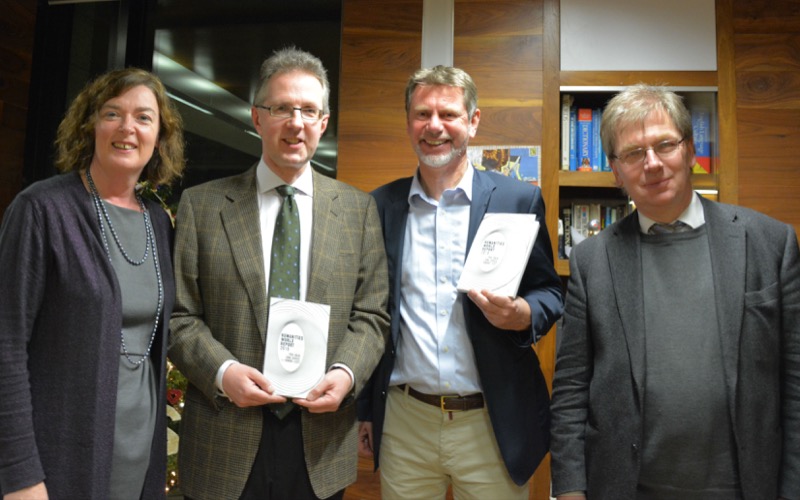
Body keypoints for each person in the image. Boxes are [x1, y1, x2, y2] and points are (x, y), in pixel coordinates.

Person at [550, 84, 800, 500]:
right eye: (633, 153)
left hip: (746, 488)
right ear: (615, 171)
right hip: (626, 489)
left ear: (689, 150)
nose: (652, 164)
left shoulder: (769, 243)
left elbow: (795, 383)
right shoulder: (593, 261)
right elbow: (571, 391)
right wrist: (571, 489)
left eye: (664, 144)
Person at [167, 47, 390, 500]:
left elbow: (372, 315)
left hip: (320, 439)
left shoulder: (357, 210)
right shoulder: (203, 205)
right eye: (282, 108)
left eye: (309, 110)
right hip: (224, 432)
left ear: (323, 123)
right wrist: (224, 371)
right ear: (257, 118)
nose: (296, 122)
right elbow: (178, 316)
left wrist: (346, 374)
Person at [356, 65, 563, 499]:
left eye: (448, 114)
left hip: (491, 421)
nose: (434, 126)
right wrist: (364, 411)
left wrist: (523, 315)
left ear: (473, 121)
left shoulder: (516, 199)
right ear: (408, 122)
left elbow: (549, 291)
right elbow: (369, 316)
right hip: (405, 420)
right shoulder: (379, 206)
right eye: (422, 114)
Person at [0, 67, 185, 499]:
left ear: (159, 137)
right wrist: (20, 475)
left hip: (139, 455)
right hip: (60, 460)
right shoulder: (42, 209)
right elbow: (5, 346)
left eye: (144, 117)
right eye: (112, 114)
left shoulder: (159, 220)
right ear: (90, 126)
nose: (127, 128)